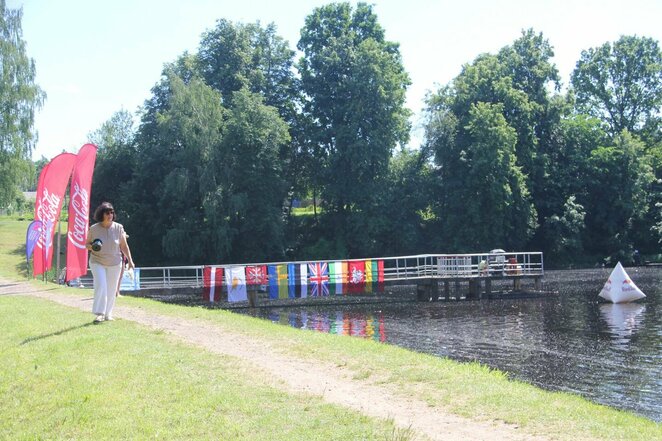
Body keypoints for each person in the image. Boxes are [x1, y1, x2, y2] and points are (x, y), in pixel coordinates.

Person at [87, 202, 135, 323]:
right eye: (107, 213)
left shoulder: (119, 228)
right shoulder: (94, 229)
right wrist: (92, 247)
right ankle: (99, 314)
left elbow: (124, 246)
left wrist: (130, 260)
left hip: (115, 262)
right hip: (97, 261)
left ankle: (108, 314)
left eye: (112, 212)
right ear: (101, 214)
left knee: (111, 289)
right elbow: (86, 244)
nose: (110, 215)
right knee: (101, 285)